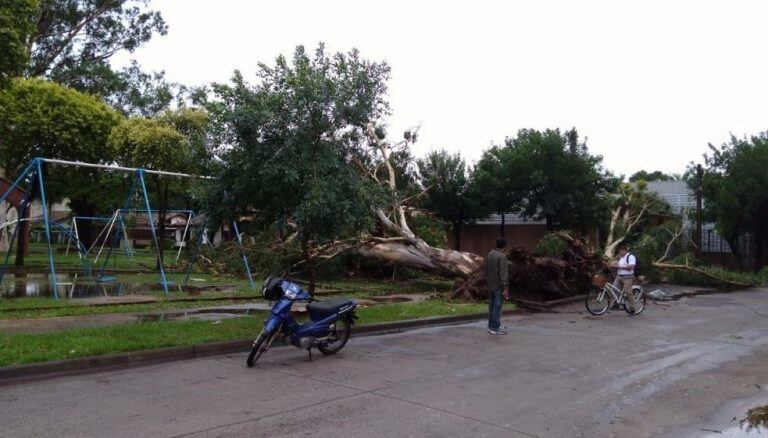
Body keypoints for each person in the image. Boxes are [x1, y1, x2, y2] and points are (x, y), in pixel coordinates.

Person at [485, 237, 510, 334]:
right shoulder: (502, 256)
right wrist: (505, 287)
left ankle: (490, 326)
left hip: (490, 283)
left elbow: (486, 268)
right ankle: (495, 327)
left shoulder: (490, 254)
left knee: (492, 305)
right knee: (497, 306)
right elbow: (503, 273)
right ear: (504, 245)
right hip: (498, 285)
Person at [611, 244, 638, 314]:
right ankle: (616, 303)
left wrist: (619, 267)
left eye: (620, 252)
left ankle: (633, 307)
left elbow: (631, 267)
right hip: (619, 276)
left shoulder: (630, 257)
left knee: (627, 291)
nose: (619, 253)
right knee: (614, 288)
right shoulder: (621, 257)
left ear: (624, 251)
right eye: (619, 252)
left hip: (628, 277)